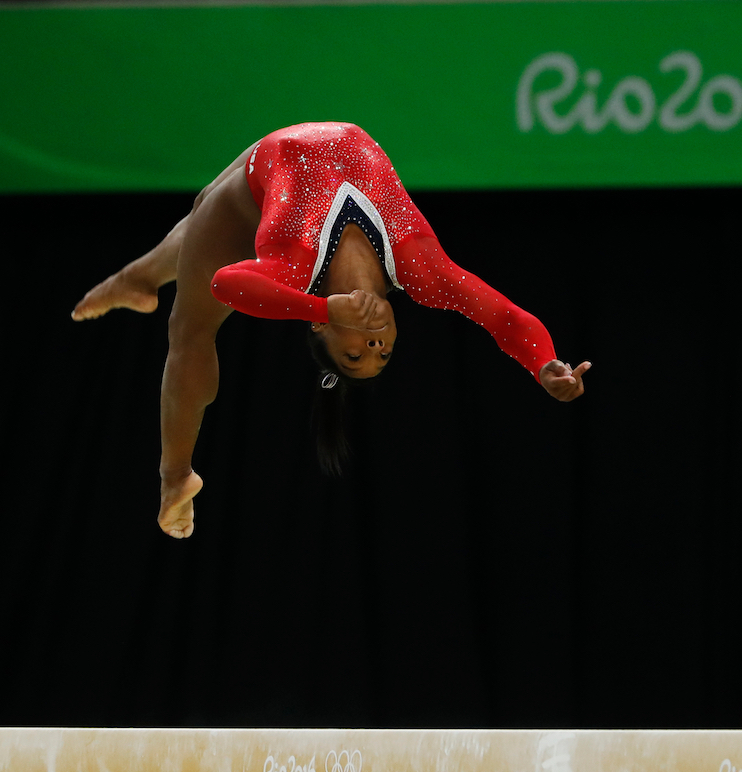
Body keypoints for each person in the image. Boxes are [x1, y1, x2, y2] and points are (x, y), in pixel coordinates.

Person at [72, 122, 590, 539]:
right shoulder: (421, 271)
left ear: (320, 328)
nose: (375, 346)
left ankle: (174, 476)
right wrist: (543, 363)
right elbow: (503, 316)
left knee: (189, 325)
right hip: (289, 150)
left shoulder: (297, 266)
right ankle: (138, 279)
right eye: (383, 355)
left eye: (355, 356)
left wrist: (324, 303)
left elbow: (225, 283)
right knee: (199, 206)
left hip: (256, 180)